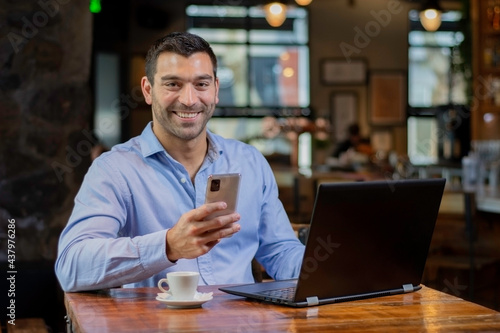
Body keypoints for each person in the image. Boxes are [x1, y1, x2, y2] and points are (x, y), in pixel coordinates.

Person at [55, 32, 305, 292]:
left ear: (216, 90)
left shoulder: (250, 161)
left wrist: (337, 264)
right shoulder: (114, 169)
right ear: (148, 90)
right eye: (173, 84)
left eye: (201, 84)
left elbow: (280, 251)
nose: (189, 99)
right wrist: (168, 246)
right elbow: (72, 267)